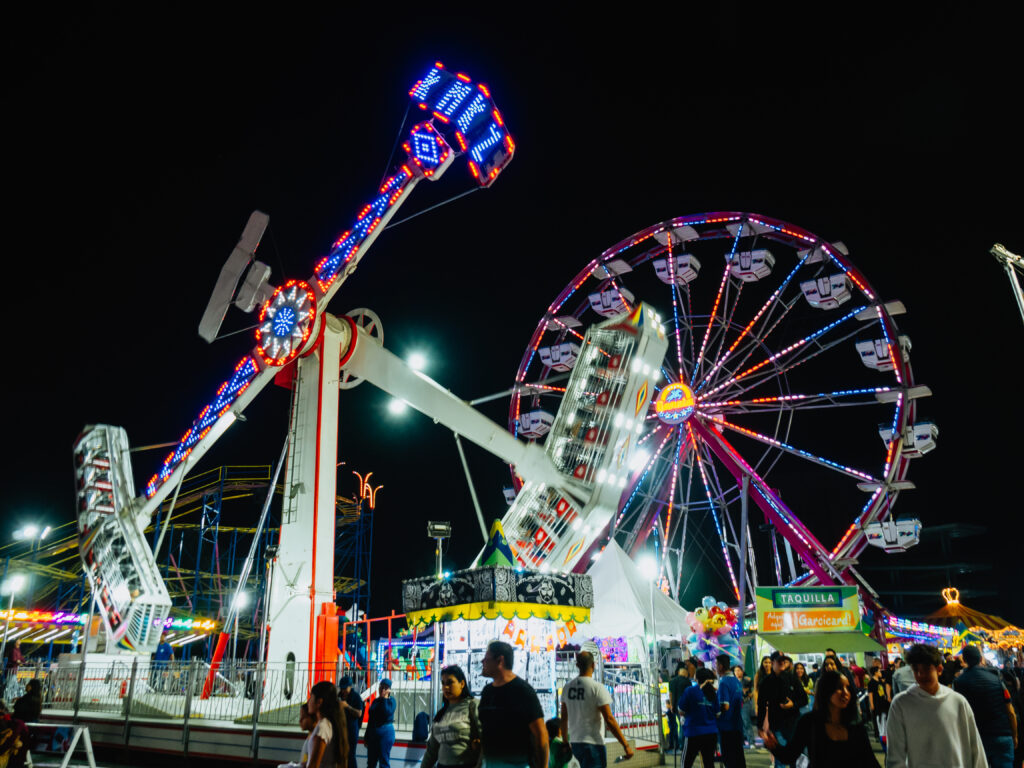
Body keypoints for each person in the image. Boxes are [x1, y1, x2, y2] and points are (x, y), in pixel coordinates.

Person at [886, 643, 986, 768]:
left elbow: (975, 747)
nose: (921, 675)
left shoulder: (958, 701)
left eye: (927, 669)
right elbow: (895, 756)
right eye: (916, 670)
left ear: (939, 669)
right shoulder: (901, 704)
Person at [762, 670, 876, 767]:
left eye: (848, 688)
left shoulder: (855, 725)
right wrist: (774, 746)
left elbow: (870, 761)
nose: (846, 693)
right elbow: (790, 755)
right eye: (839, 688)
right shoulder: (809, 722)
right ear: (827, 691)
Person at [478, 641, 547, 768]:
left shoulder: (522, 691)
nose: (482, 662)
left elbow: (541, 734)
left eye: (486, 658)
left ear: (500, 660)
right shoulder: (487, 692)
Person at [560, 650, 633, 768]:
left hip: (575, 744)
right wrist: (625, 745)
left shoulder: (567, 688)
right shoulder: (597, 688)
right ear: (593, 665)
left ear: (577, 665)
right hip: (593, 745)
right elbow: (609, 719)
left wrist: (565, 742)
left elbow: (563, 719)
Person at [954, 645, 1018, 768]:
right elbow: (1010, 710)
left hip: (976, 738)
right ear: (980, 659)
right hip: (1002, 735)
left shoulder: (959, 682)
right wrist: (1014, 735)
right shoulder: (997, 678)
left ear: (965, 660)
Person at [422, 665, 481, 768]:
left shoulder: (473, 705)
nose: (446, 687)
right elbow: (432, 749)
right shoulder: (442, 713)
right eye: (443, 683)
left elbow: (487, 742)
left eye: (450, 682)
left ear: (462, 683)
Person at [756, 651, 807, 768]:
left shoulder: (792, 678)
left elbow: (804, 699)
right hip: (777, 724)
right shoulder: (767, 682)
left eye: (784, 660)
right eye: (779, 661)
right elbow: (762, 705)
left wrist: (793, 705)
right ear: (773, 662)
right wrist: (760, 726)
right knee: (780, 757)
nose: (783, 663)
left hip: (793, 723)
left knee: (796, 756)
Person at [678, 667, 720, 768]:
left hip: (693, 733)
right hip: (711, 733)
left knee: (686, 763)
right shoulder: (713, 693)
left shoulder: (690, 691)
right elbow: (718, 714)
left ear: (696, 678)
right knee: (709, 763)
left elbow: (681, 710)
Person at [306, 680, 349, 768]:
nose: (308, 701)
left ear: (319, 702)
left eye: (311, 697)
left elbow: (314, 765)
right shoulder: (327, 724)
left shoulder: (323, 727)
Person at [715, 654, 746, 768]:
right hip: (737, 725)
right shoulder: (736, 681)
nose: (715, 667)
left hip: (727, 726)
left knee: (729, 759)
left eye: (716, 665)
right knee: (738, 757)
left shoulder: (724, 682)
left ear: (721, 666)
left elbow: (725, 706)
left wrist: (716, 713)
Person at [365, 678, 396, 768]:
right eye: (381, 687)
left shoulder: (391, 701)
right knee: (371, 762)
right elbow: (371, 719)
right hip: (374, 732)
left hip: (386, 732)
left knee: (384, 761)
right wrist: (367, 735)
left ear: (389, 690)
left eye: (385, 688)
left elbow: (386, 712)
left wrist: (384, 698)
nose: (382, 690)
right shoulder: (375, 701)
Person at [337, 677, 363, 768]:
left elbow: (359, 713)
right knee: (340, 754)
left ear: (350, 687)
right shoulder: (339, 696)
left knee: (351, 755)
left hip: (351, 730)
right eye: (342, 688)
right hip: (341, 729)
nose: (343, 690)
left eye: (345, 688)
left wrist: (347, 706)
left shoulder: (356, 697)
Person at [668, 662, 690, 752]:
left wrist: (672, 705)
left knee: (679, 725)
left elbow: (671, 694)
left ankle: (680, 745)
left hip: (676, 706)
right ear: (684, 673)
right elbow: (689, 694)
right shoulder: (687, 681)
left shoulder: (672, 681)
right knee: (683, 726)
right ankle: (683, 744)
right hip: (685, 707)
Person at [866, 665, 889, 746]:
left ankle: (883, 733)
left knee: (883, 718)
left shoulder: (880, 681)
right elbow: (870, 694)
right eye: (879, 671)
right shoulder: (871, 683)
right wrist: (871, 704)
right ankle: (877, 735)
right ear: (875, 673)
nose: (880, 673)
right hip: (876, 703)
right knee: (877, 719)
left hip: (883, 702)